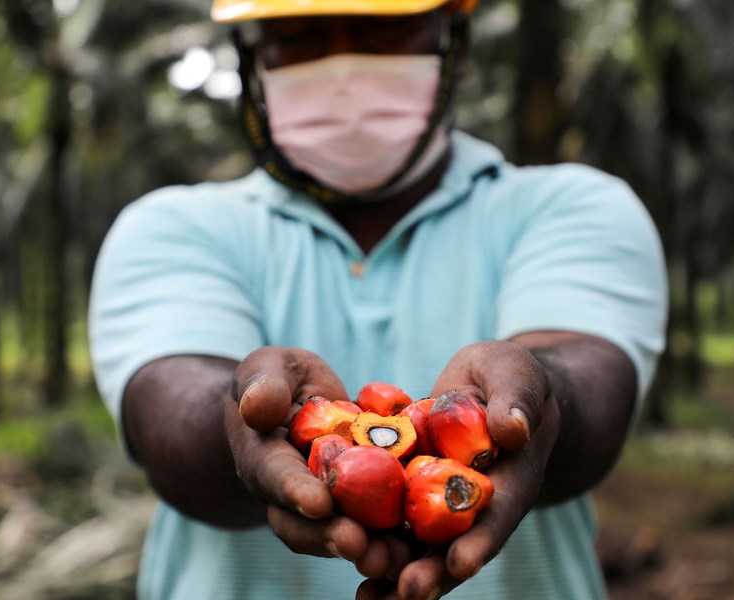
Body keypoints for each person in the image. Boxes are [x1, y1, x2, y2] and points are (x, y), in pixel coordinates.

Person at [88, 0, 668, 598]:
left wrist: (537, 404)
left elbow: (592, 390)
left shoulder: (571, 209)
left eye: (384, 28)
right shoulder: (173, 227)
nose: (343, 67)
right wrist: (244, 422)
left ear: (456, 43)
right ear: (254, 53)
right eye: (301, 32)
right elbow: (170, 416)